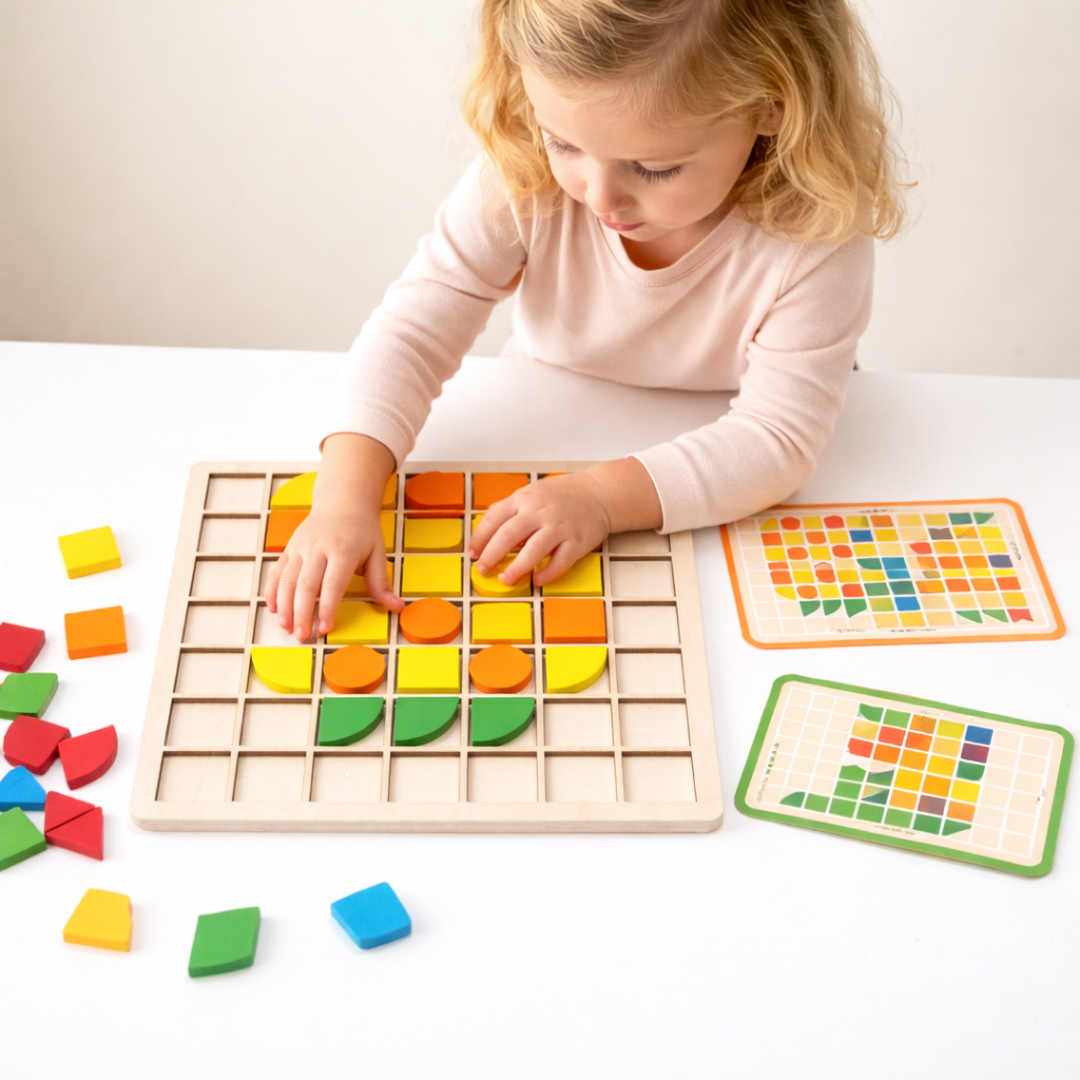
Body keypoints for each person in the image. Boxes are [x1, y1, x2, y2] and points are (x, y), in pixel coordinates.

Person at [267, 0, 908, 641]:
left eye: (654, 167)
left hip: (713, 491)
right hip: (547, 432)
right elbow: (413, 330)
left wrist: (600, 499)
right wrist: (344, 497)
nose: (599, 196)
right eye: (564, 143)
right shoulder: (523, 174)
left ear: (773, 105)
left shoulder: (818, 234)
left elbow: (776, 439)